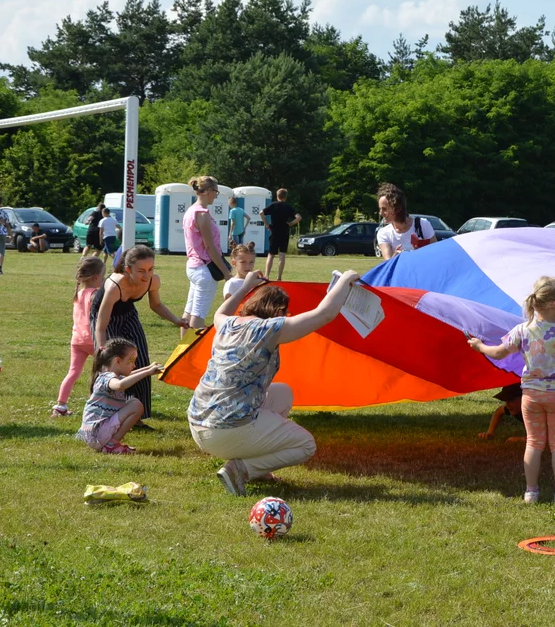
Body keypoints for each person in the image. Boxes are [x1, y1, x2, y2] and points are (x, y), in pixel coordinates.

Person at [189, 269, 361, 496]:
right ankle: (241, 469)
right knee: (305, 445)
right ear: (278, 312)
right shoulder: (268, 329)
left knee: (282, 394)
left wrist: (246, 286)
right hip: (225, 430)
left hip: (198, 422)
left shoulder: (228, 323)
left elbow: (219, 312)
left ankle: (257, 463)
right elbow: (324, 314)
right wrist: (347, 279)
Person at [468, 277, 555, 504]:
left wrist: (479, 346)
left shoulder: (522, 330)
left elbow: (498, 353)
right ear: (553, 303)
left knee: (533, 443)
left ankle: (531, 493)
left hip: (531, 396)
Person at [91, 246, 189, 422]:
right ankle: (105, 412)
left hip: (128, 315)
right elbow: (101, 324)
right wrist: (102, 349)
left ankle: (137, 416)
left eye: (151, 269)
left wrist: (176, 320)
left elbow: (156, 305)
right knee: (114, 365)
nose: (147, 275)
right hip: (104, 320)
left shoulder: (153, 281)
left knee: (140, 360)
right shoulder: (115, 285)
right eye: (141, 271)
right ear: (128, 269)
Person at [76, 338, 162, 454]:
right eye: (131, 361)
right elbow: (120, 385)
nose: (134, 365)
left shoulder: (108, 374)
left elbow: (128, 376)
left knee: (133, 402)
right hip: (97, 434)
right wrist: (147, 372)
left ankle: (110, 443)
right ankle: (111, 445)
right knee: (136, 405)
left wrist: (148, 368)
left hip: (96, 433)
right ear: (117, 361)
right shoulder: (108, 378)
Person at [52, 257, 105, 417]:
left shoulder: (79, 293)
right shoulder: (95, 294)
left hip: (77, 340)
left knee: (73, 372)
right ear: (96, 278)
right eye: (103, 275)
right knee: (102, 373)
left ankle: (60, 405)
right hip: (93, 340)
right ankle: (100, 405)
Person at [183, 176, 232, 338]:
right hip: (205, 270)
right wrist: (226, 272)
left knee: (189, 313)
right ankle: (190, 355)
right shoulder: (202, 214)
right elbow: (210, 248)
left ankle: (181, 353)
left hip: (193, 265)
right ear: (209, 192)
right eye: (216, 192)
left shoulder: (190, 211)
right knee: (198, 318)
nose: (216, 196)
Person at [376, 182, 436, 260]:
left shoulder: (423, 225)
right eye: (380, 209)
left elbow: (436, 254)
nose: (381, 213)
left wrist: (421, 253)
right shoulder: (383, 233)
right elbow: (388, 265)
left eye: (384, 209)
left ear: (398, 208)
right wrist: (395, 257)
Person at [262, 188, 301, 281]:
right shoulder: (288, 207)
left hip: (274, 231)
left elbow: (261, 213)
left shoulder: (273, 205)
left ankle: (267, 275)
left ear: (277, 196)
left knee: (271, 254)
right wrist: (291, 223)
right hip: (284, 231)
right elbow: (299, 217)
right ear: (286, 197)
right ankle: (279, 277)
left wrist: (267, 224)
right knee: (282, 254)